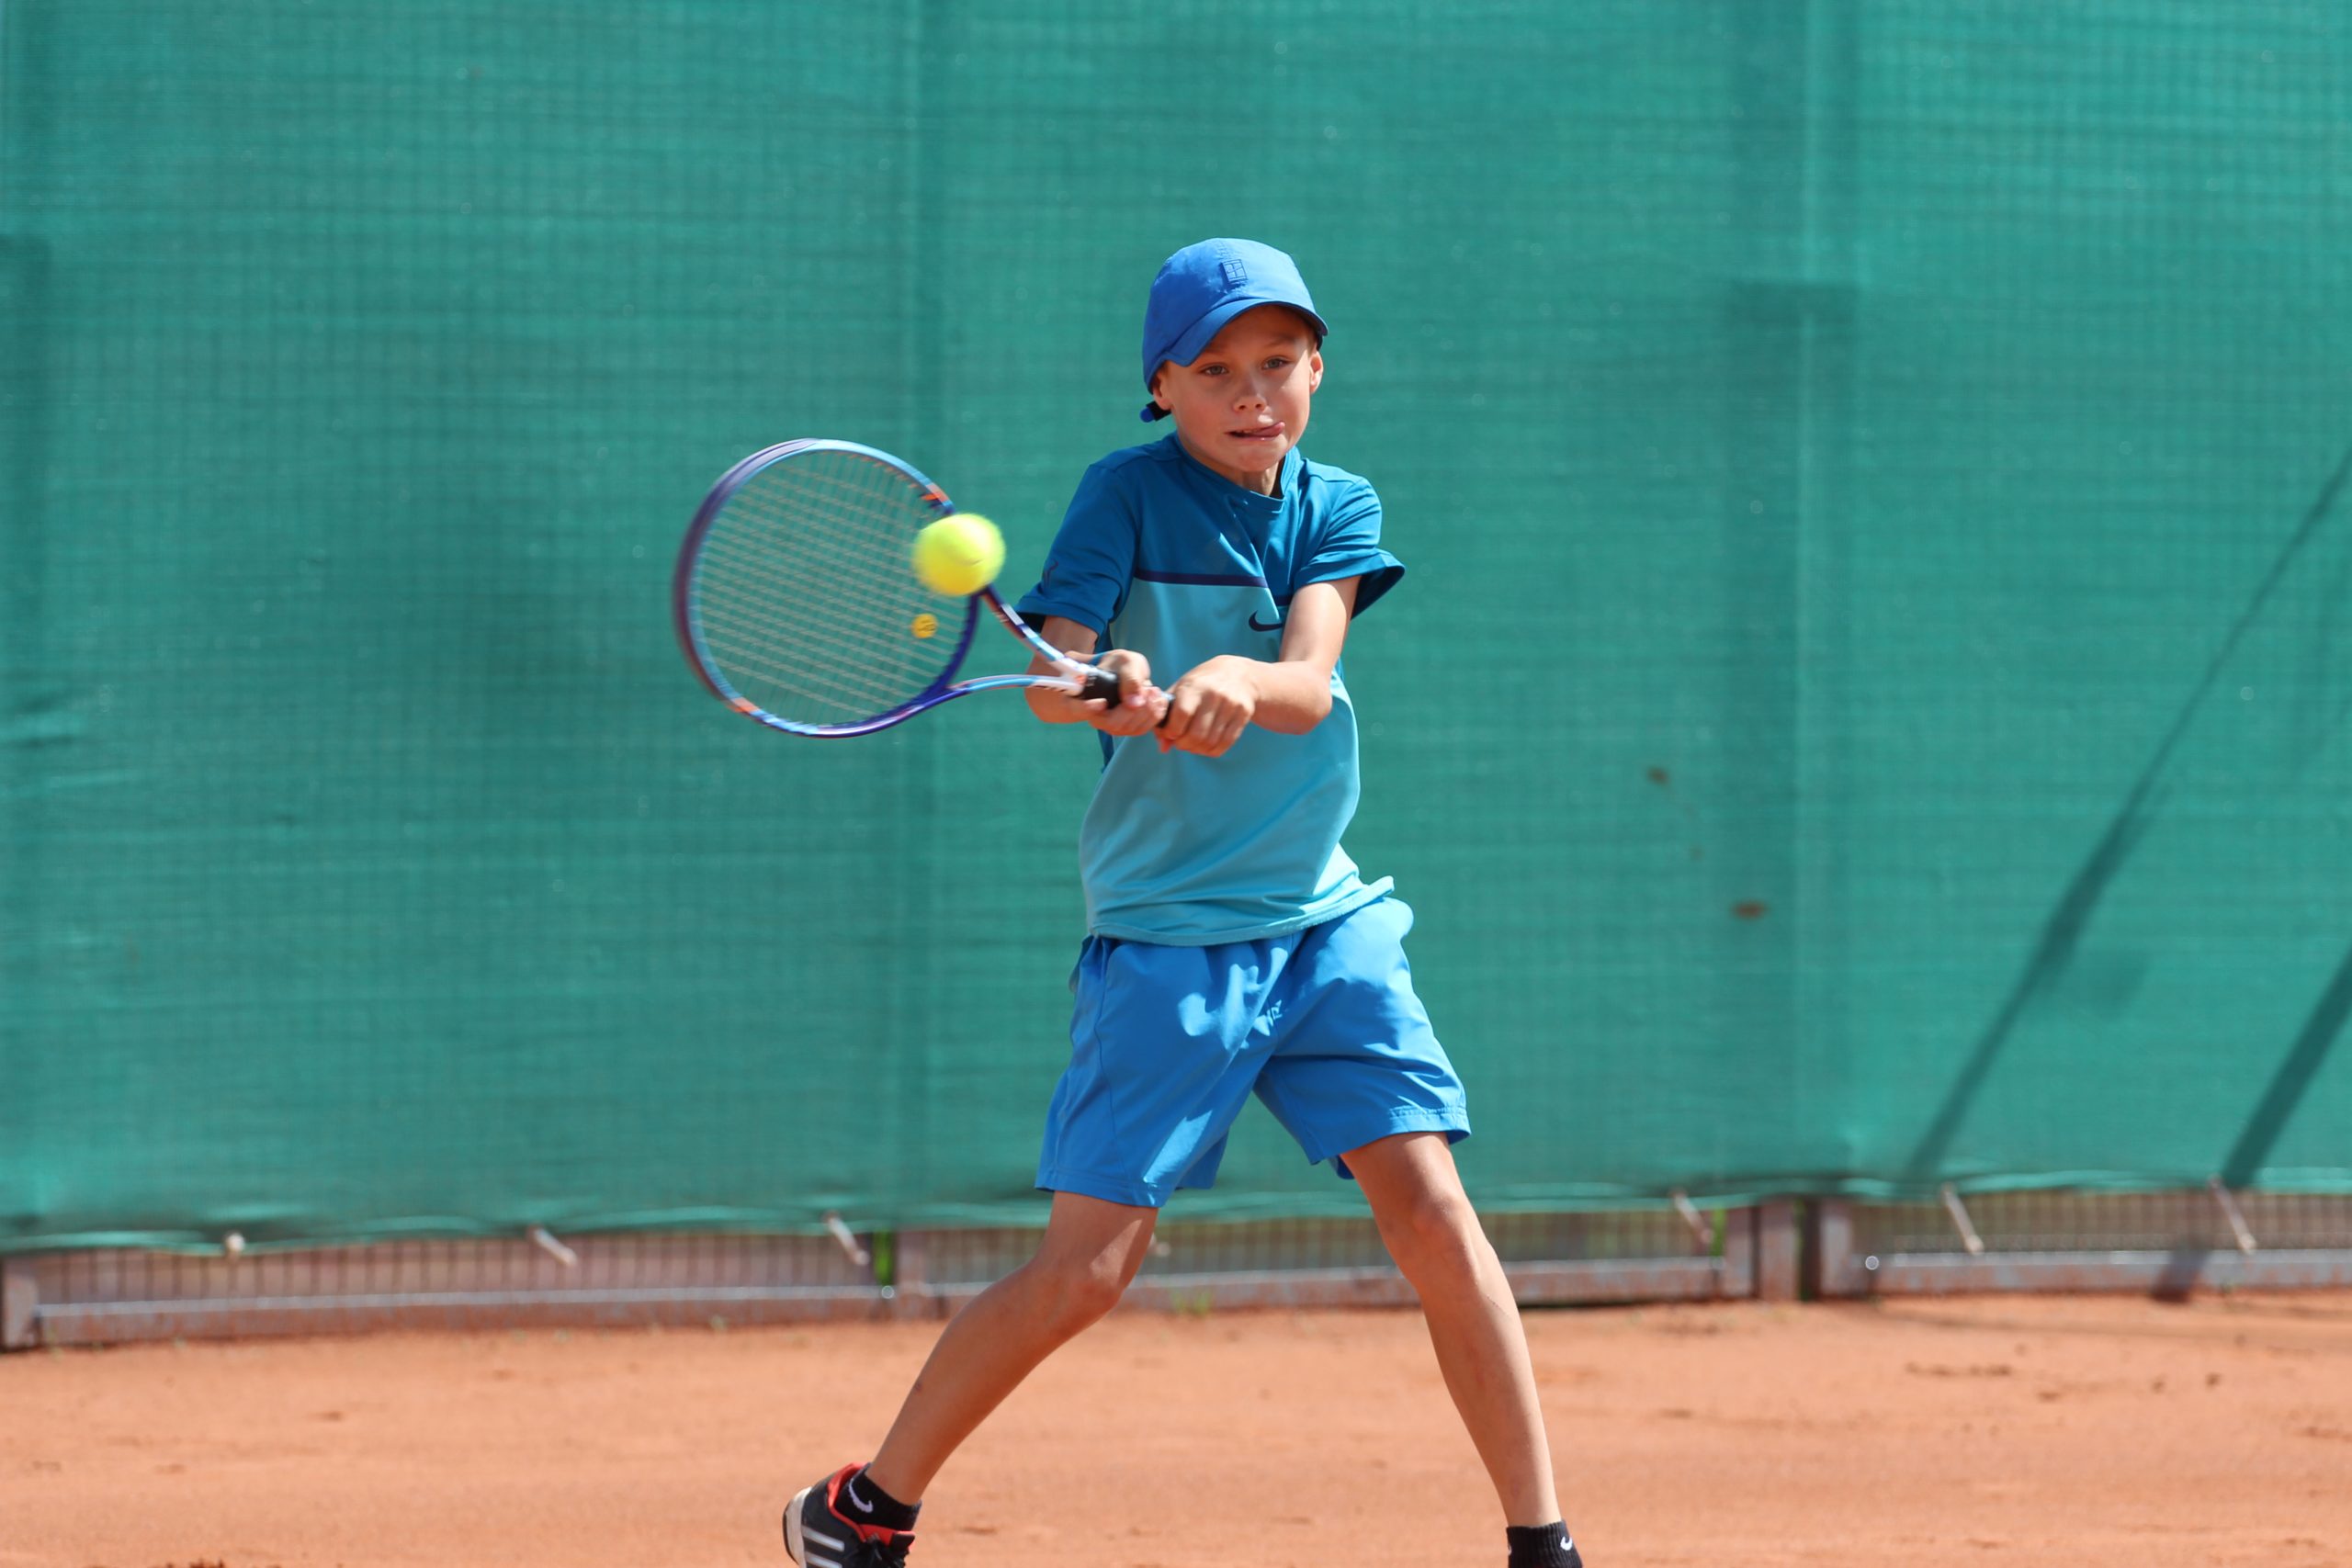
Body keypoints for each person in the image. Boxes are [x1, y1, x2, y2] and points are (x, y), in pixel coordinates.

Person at [783, 238, 1583, 1568]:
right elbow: (1052, 682)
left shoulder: (1334, 502)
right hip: (1170, 942)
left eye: (1278, 361)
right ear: (1163, 386)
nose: (1251, 391)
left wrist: (1225, 678)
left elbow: (1311, 677)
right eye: (1215, 369)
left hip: (1326, 925)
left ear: (1317, 367)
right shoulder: (1123, 498)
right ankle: (866, 1505)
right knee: (1086, 1275)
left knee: (1435, 1212)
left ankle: (1541, 1541)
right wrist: (1112, 686)